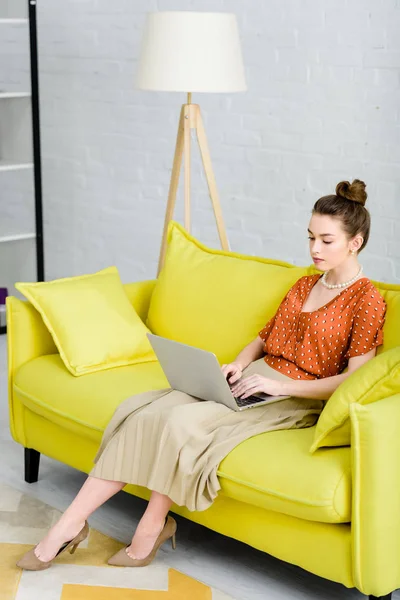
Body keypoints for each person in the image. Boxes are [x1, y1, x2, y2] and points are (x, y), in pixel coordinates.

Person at [17, 179, 386, 571]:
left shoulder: (367, 300)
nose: (314, 248)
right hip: (255, 378)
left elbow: (351, 381)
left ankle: (150, 526)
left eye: (326, 240)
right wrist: (238, 365)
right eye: (310, 237)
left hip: (294, 398)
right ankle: (72, 524)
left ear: (355, 242)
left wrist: (278, 385)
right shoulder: (304, 283)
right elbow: (262, 339)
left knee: (180, 424)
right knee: (143, 412)